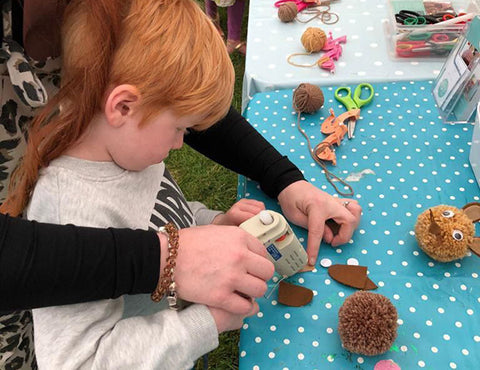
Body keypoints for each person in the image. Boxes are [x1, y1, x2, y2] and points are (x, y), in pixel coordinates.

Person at [0, 0, 361, 368]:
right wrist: (205, 322)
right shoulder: (69, 207)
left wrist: (211, 224)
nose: (180, 143)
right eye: (179, 129)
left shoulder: (128, 149)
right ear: (123, 106)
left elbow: (159, 215)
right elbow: (78, 361)